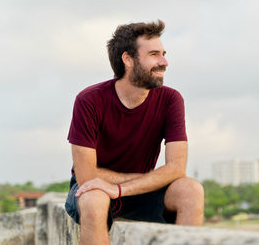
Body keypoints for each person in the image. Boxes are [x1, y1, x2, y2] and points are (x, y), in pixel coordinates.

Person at [64, 20, 204, 244]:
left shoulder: (171, 99)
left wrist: (120, 189)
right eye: (154, 54)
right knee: (94, 200)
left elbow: (177, 169)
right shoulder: (89, 100)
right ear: (128, 60)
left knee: (191, 190)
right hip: (94, 190)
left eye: (163, 54)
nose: (164, 62)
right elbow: (87, 176)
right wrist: (154, 177)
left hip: (141, 192)